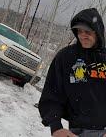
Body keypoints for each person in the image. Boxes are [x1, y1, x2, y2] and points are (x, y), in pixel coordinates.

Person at [38, 8, 106, 137]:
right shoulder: (66, 57)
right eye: (79, 31)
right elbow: (52, 93)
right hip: (73, 132)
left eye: (87, 31)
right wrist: (56, 127)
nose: (82, 35)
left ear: (98, 32)